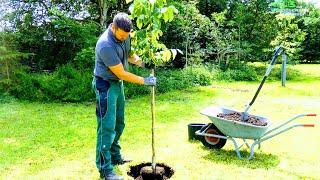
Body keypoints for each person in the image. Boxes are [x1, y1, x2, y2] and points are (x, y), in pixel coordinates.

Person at [92, 12, 156, 180]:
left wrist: (142, 62)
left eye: (126, 36)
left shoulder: (125, 35)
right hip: (105, 85)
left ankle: (115, 156)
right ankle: (105, 170)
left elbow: (129, 54)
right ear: (113, 28)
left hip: (116, 85)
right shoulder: (105, 45)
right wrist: (145, 81)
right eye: (121, 36)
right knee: (106, 127)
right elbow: (121, 73)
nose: (123, 39)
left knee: (119, 123)